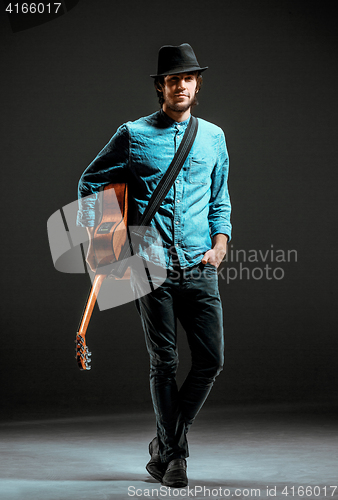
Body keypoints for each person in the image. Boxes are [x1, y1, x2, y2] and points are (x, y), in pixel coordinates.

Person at [77, 43, 232, 488]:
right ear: (161, 87)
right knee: (164, 361)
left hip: (200, 263)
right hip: (150, 265)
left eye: (187, 78)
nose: (180, 85)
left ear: (196, 85)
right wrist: (113, 243)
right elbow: (91, 180)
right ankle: (176, 457)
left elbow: (220, 198)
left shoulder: (213, 137)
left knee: (210, 360)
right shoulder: (133, 134)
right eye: (172, 79)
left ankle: (162, 446)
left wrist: (221, 243)